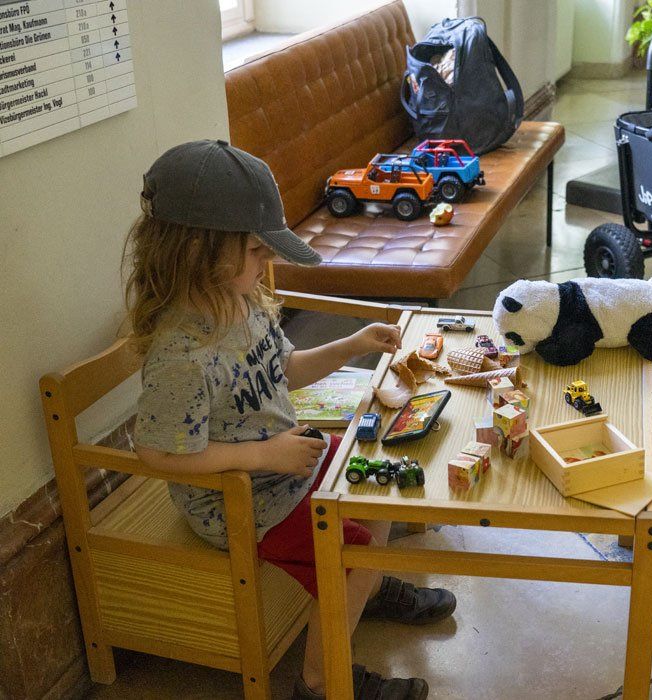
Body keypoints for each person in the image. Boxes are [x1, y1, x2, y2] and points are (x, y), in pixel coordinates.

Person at [124, 140, 453, 700]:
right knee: (354, 555)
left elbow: (286, 371)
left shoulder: (240, 300)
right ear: (198, 250)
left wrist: (352, 344)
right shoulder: (182, 355)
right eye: (255, 250)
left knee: (372, 488)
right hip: (236, 499)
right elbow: (158, 454)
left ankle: (366, 595)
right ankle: (322, 683)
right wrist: (262, 455)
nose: (266, 263)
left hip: (283, 464)